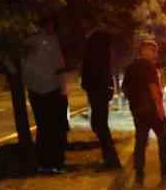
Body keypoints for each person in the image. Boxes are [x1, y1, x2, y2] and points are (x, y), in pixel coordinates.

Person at [121, 37, 166, 183]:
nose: (155, 54)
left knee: (141, 141)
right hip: (151, 109)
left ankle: (139, 174)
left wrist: (133, 102)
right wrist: (160, 109)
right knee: (164, 139)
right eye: (153, 51)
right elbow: (153, 88)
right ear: (144, 50)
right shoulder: (149, 66)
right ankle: (165, 171)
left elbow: (124, 88)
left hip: (137, 110)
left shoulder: (130, 67)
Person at [23, 19, 70, 173]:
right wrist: (64, 89)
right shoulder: (51, 40)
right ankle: (56, 162)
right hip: (52, 89)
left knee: (43, 128)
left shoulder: (27, 41)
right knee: (56, 128)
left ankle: (44, 163)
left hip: (35, 90)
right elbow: (60, 67)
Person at [81, 29, 119, 170]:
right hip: (100, 90)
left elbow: (93, 72)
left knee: (99, 124)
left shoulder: (97, 53)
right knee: (99, 124)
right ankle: (110, 159)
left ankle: (111, 160)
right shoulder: (104, 53)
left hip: (98, 90)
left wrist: (87, 83)